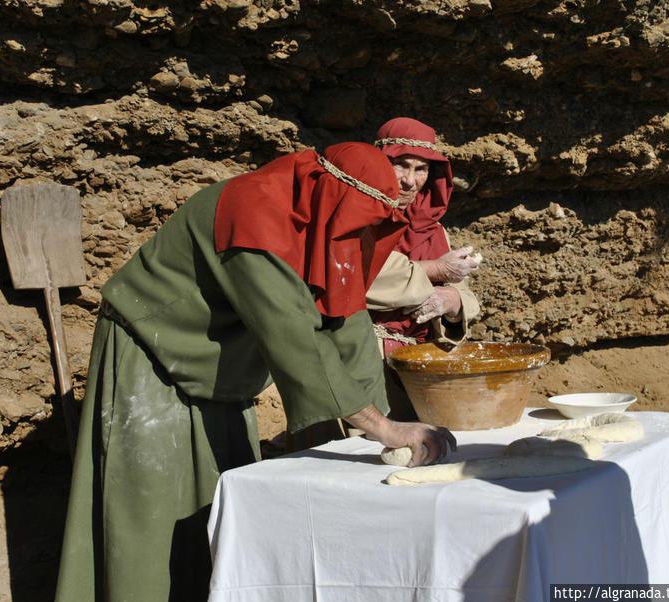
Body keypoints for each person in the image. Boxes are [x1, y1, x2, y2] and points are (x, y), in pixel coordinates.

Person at [54, 142, 457, 602]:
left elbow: (345, 319)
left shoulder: (325, 219)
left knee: (229, 495)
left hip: (218, 369)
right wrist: (382, 427)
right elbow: (294, 336)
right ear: (331, 196)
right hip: (152, 352)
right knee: (150, 504)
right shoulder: (253, 214)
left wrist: (380, 428)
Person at [368, 117, 481, 358]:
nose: (409, 181)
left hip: (414, 363)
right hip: (355, 354)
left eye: (420, 169)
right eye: (400, 165)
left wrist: (454, 301)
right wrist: (435, 269)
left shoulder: (434, 230)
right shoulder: (353, 217)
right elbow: (356, 274)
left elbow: (463, 294)